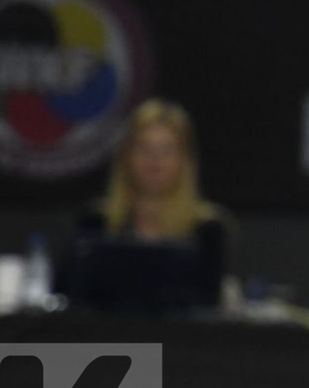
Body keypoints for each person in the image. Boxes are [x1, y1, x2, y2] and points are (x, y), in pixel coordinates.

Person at [72, 98, 231, 305]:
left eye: (166, 150)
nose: (155, 159)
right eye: (144, 148)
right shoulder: (96, 223)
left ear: (185, 160)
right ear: (126, 156)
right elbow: (70, 297)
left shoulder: (208, 231)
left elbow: (208, 304)